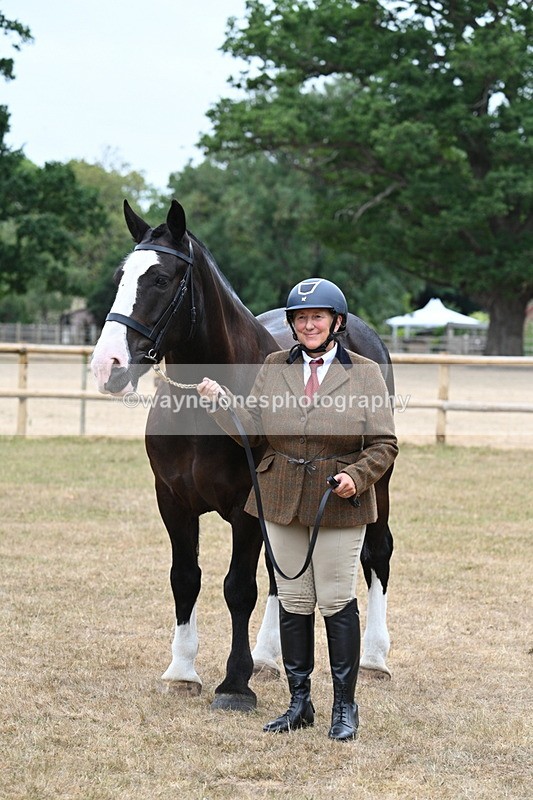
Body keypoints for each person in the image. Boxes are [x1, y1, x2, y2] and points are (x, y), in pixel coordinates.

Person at [197, 278, 398, 740]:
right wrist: (220, 404)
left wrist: (357, 476)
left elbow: (385, 443)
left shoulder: (365, 372)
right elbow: (253, 429)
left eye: (317, 318)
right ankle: (299, 703)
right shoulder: (274, 367)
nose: (308, 325)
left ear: (336, 323)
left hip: (337, 498)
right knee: (293, 600)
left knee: (335, 599)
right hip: (281, 497)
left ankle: (344, 707)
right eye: (301, 318)